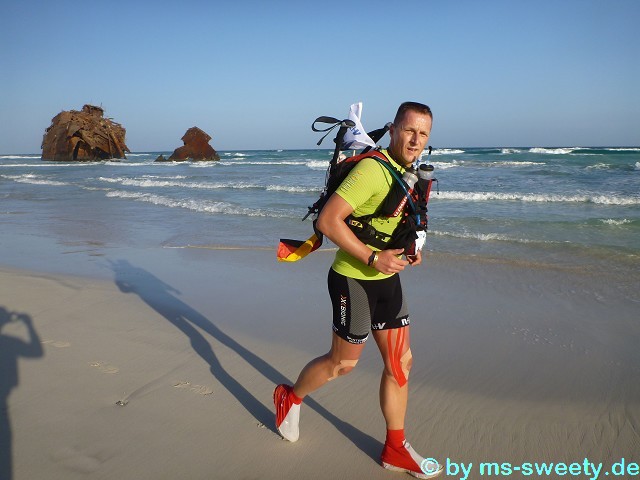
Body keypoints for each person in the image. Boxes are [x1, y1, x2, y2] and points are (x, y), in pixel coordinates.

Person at [274, 102, 443, 479]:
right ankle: (290, 396)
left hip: (386, 280)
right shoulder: (372, 170)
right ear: (393, 129)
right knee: (343, 365)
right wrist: (372, 258)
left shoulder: (408, 172)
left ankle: (395, 448)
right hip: (353, 279)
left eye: (423, 134)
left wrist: (408, 249)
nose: (415, 140)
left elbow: (388, 221)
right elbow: (328, 221)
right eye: (409, 130)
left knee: (400, 364)